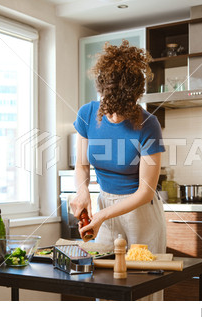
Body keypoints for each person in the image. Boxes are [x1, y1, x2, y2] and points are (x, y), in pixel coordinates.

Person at [70, 40, 166, 286]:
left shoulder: (148, 124)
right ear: (102, 90)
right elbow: (81, 165)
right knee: (103, 282)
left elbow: (146, 192)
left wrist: (102, 215)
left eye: (122, 109)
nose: (114, 116)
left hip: (140, 212)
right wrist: (82, 190)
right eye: (109, 108)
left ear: (135, 97)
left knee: (143, 286)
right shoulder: (87, 114)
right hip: (105, 203)